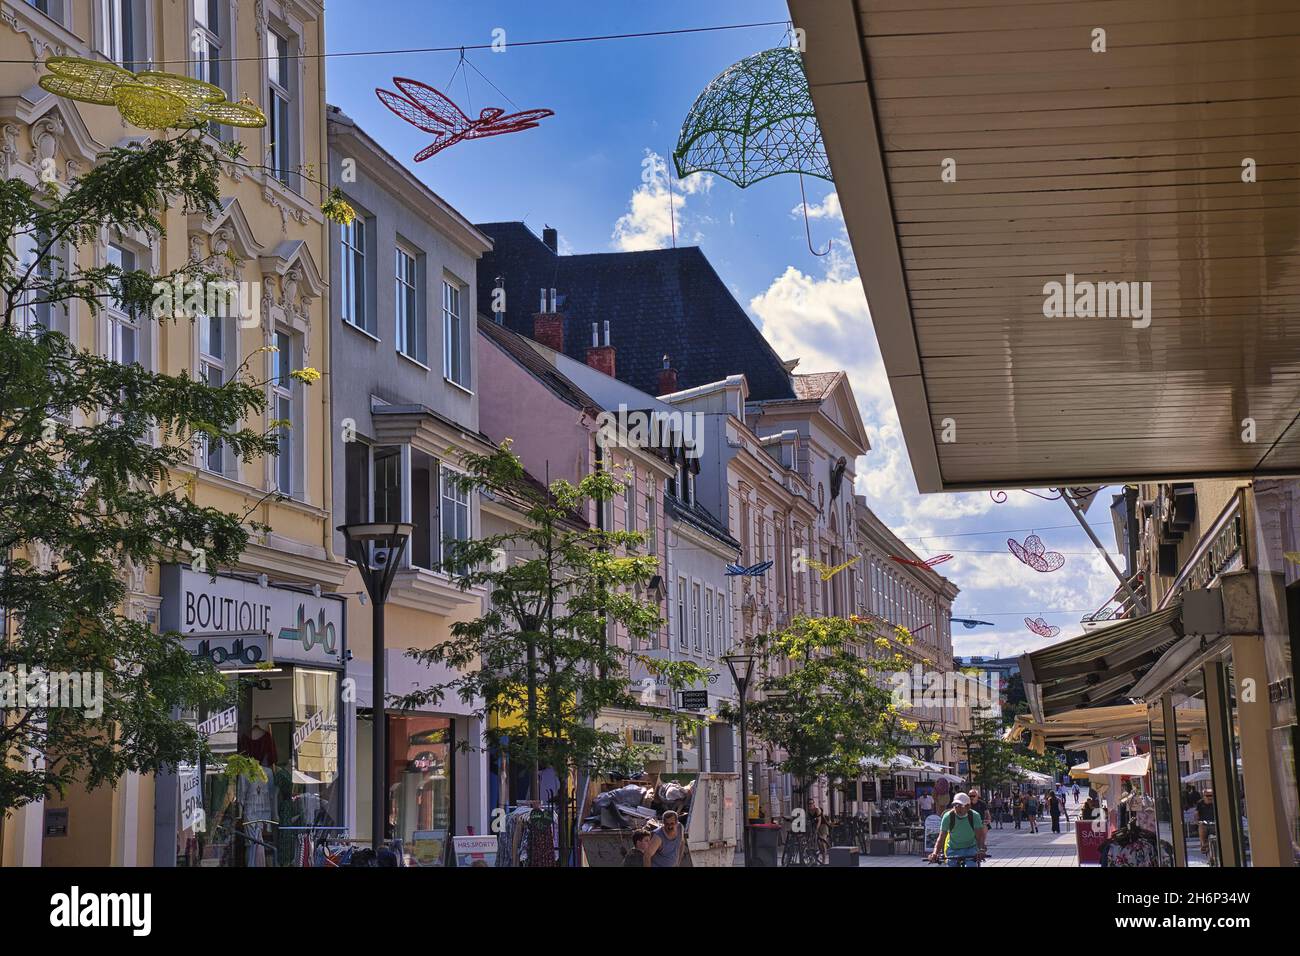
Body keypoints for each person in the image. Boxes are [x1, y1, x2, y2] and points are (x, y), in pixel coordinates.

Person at [928, 792, 986, 867]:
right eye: (955, 805)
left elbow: (980, 836)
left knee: (971, 865)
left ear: (968, 806)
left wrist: (981, 850)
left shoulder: (975, 816)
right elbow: (941, 837)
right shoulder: (948, 816)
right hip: (953, 849)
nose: (957, 808)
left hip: (970, 848)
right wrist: (935, 853)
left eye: (960, 805)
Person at [1197, 791, 1216, 856]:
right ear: (1204, 796)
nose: (1209, 797)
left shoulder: (1215, 802)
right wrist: (1197, 821)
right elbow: (1196, 814)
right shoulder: (1200, 803)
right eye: (1207, 796)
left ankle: (1206, 845)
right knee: (1201, 827)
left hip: (1214, 823)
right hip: (1204, 823)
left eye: (1211, 795)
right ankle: (1203, 844)